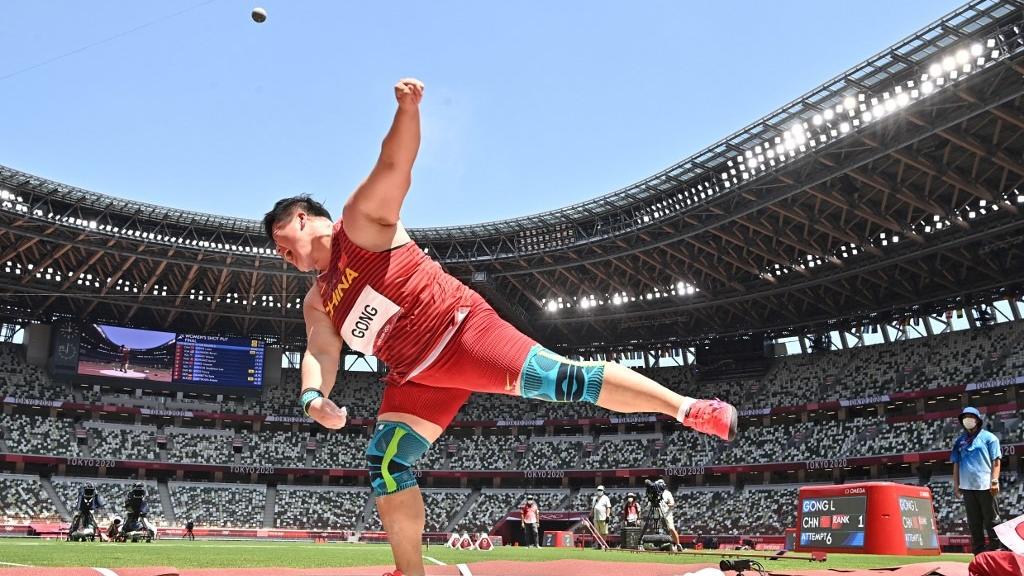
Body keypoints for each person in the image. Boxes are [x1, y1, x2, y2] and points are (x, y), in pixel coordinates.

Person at [263, 78, 738, 576]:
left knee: (565, 379)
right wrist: (312, 397)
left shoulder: (358, 223)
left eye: (280, 239)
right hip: (415, 376)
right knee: (387, 464)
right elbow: (320, 351)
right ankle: (411, 573)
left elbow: (394, 164)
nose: (282, 254)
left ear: (301, 217)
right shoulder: (318, 299)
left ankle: (689, 409)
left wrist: (408, 109)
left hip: (463, 334)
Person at [952, 407, 1003, 554]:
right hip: (967, 487)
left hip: (986, 486)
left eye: (970, 416)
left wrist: (994, 481)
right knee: (974, 523)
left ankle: (996, 550)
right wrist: (956, 485)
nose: (967, 419)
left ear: (977, 420)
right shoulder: (959, 441)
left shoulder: (990, 438)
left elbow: (996, 462)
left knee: (992, 520)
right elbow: (956, 464)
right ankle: (978, 554)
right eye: (965, 417)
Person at [652, 479, 680, 551]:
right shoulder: (654, 493)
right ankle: (660, 545)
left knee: (671, 528)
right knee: (657, 530)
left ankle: (678, 544)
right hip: (657, 513)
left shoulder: (667, 493)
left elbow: (672, 503)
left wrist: (668, 504)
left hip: (667, 514)